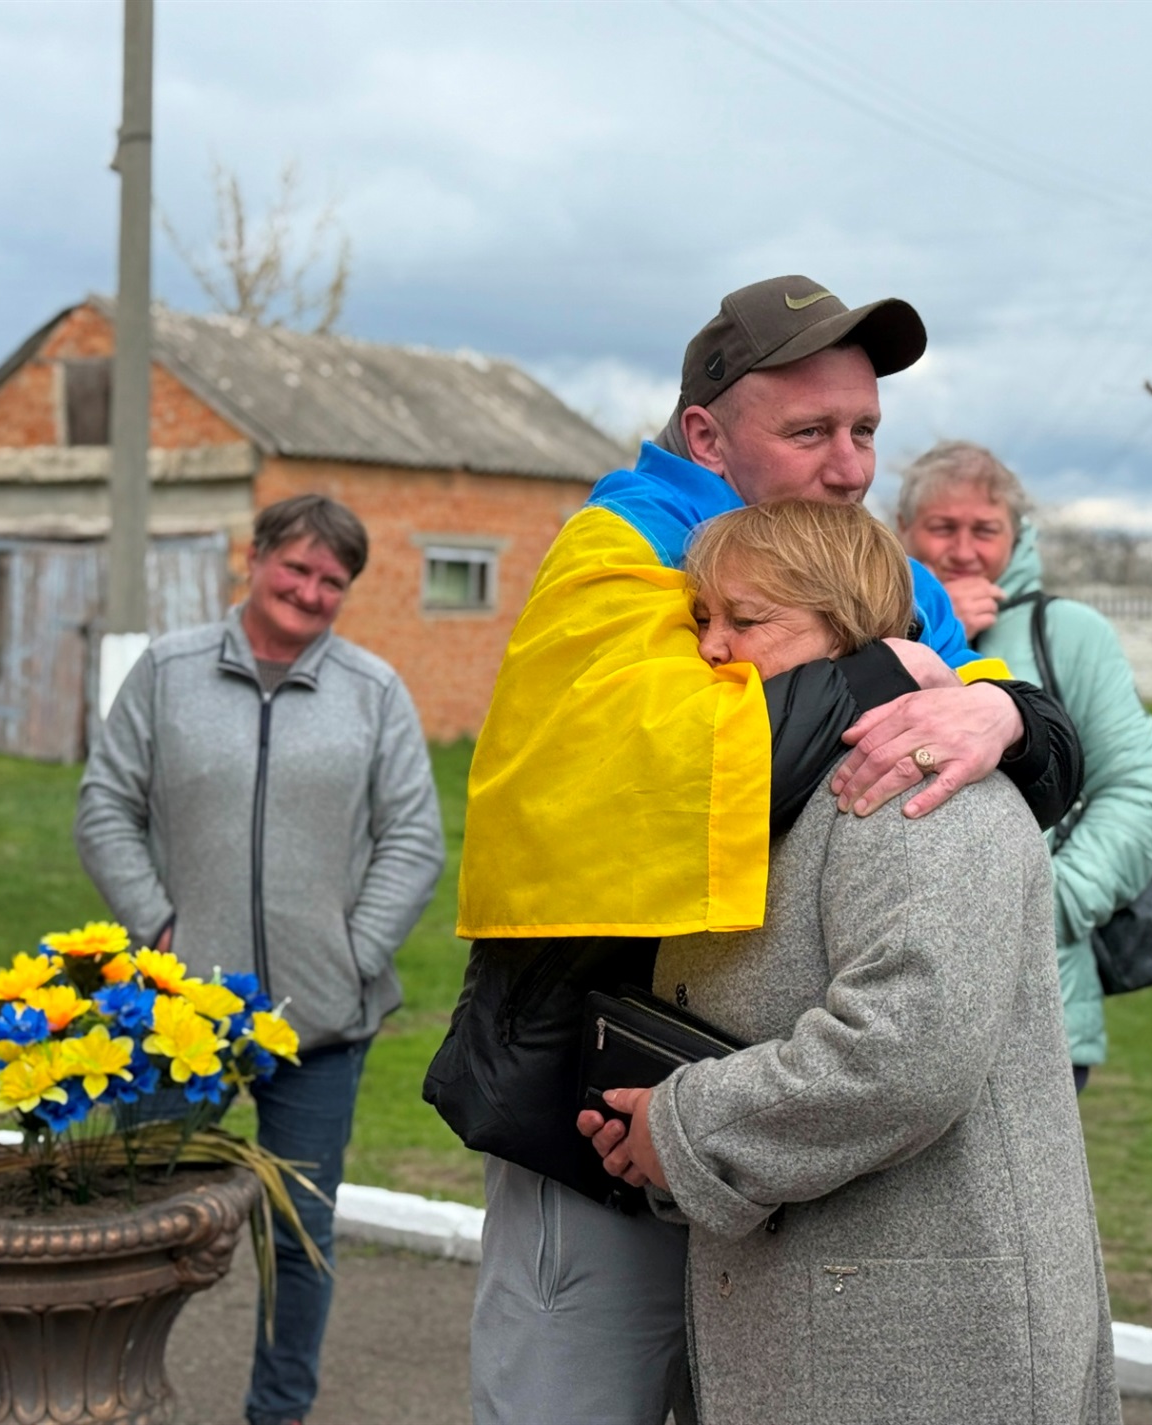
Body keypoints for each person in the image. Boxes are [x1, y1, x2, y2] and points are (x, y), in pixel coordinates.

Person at [423, 276, 1085, 1425]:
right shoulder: (617, 547)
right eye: (809, 431)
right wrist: (893, 672)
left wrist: (1019, 717)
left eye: (866, 430)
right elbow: (701, 748)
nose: (849, 466)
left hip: (781, 1126)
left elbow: (980, 756)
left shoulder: (870, 570)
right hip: (596, 1095)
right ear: (705, 436)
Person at [583, 499, 1121, 1424]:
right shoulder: (783, 783)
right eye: (702, 618)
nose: (711, 648)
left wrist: (679, 1127)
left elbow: (905, 1052)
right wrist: (653, 1136)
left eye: (746, 621)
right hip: (826, 1310)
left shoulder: (923, 791)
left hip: (933, 1333)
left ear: (848, 626)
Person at [76, 494, 445, 1425]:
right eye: (297, 568)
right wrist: (156, 925)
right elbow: (104, 806)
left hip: (319, 1024)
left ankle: (277, 1412)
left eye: (333, 580)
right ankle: (113, 1395)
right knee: (144, 1220)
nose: (311, 591)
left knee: (298, 1236)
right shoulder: (168, 672)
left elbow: (414, 837)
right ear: (255, 557)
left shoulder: (373, 692)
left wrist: (355, 953)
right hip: (175, 1015)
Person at [896, 440, 1152, 1090]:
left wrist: (1053, 900)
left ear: (1017, 537)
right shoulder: (868, 617)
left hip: (1038, 995)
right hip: (889, 989)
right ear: (904, 531)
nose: (963, 550)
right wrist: (934, 622)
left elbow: (1142, 786)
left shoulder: (1070, 634)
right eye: (942, 528)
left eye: (985, 530)